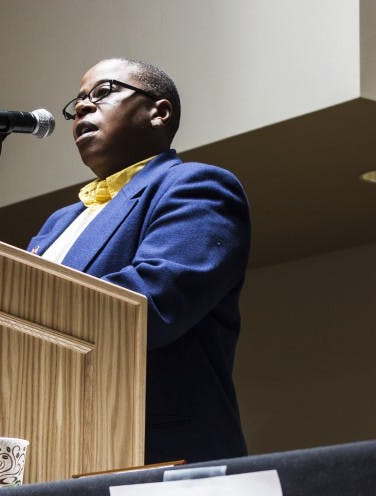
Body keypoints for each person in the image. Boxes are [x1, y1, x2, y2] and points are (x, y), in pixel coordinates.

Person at [27, 58, 251, 464]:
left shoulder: (196, 186)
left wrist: (24, 312)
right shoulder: (58, 222)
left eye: (102, 92)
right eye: (77, 102)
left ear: (158, 112)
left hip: (154, 453)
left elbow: (151, 302)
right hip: (50, 447)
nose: (81, 108)